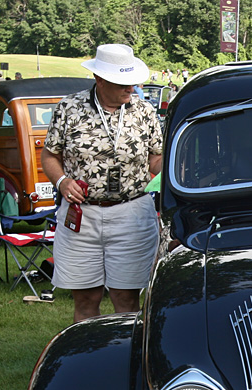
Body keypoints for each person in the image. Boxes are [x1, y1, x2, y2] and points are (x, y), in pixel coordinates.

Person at [41, 43, 163, 323]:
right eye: (123, 82)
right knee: (86, 298)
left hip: (132, 213)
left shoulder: (144, 111)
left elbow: (155, 158)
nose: (131, 88)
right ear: (99, 79)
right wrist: (61, 181)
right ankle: (88, 360)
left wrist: (170, 171)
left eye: (133, 81)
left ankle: (127, 362)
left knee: (127, 298)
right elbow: (50, 154)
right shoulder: (69, 107)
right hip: (81, 215)